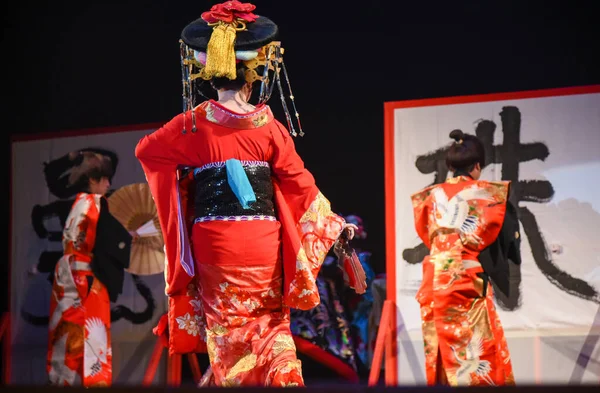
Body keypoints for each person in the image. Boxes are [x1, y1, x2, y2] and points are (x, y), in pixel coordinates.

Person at [135, 0, 362, 387]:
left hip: (214, 245)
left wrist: (185, 188)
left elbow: (147, 152)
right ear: (254, 76)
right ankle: (282, 376)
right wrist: (335, 226)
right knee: (272, 327)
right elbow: (299, 183)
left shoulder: (192, 124)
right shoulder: (269, 127)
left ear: (209, 73)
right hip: (263, 242)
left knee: (227, 339)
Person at [411, 129, 520, 386]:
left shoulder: (429, 196)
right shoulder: (488, 193)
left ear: (450, 166)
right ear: (477, 166)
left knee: (439, 348)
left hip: (433, 282)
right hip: (466, 279)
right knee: (479, 347)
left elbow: (430, 238)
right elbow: (507, 242)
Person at [47, 151, 132, 387]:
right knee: (94, 343)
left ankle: (58, 382)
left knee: (66, 340)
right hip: (87, 280)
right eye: (104, 178)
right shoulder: (95, 203)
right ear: (92, 179)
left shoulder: (76, 205)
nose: (108, 183)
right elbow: (111, 242)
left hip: (65, 280)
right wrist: (126, 241)